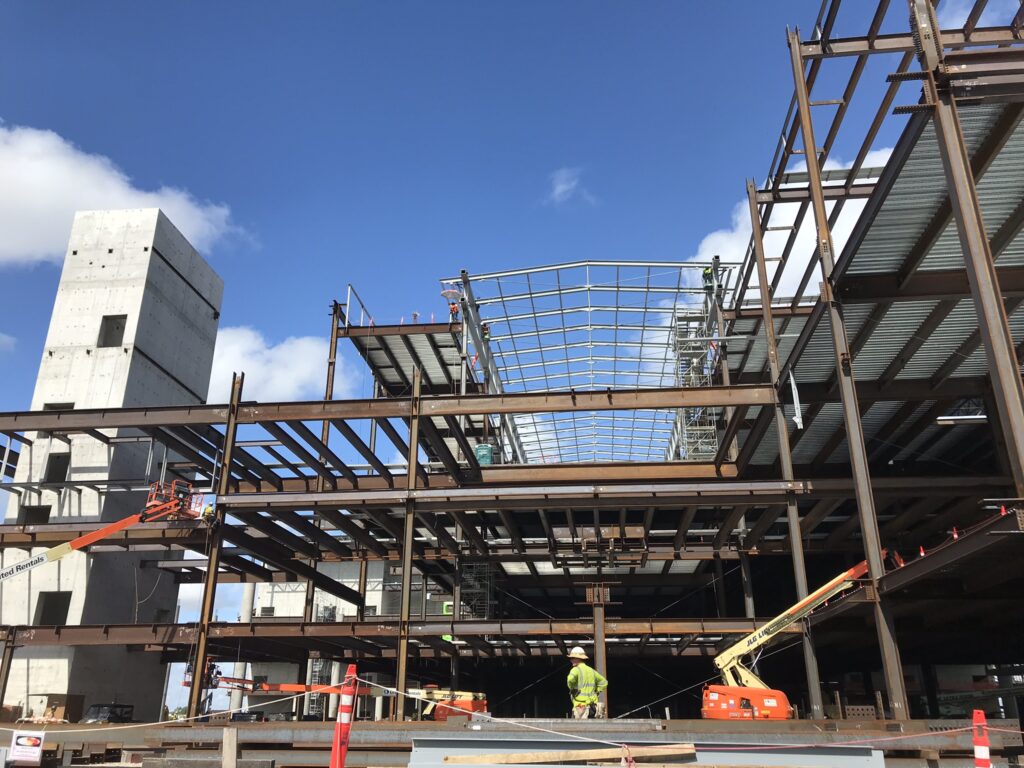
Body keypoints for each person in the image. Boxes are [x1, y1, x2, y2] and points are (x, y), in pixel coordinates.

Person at [566, 646, 607, 719]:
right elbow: (604, 682)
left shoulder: (575, 669)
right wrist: (596, 691)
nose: (571, 660)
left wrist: (572, 688)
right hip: (593, 708)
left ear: (577, 658)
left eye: (572, 658)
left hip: (580, 707)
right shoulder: (592, 671)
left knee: (576, 728)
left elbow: (570, 680)